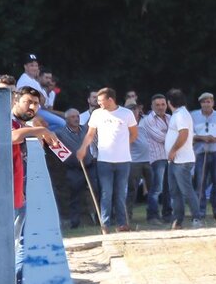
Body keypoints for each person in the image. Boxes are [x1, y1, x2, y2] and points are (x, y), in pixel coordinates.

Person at [11, 86, 60, 284]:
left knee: (24, 238)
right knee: (17, 240)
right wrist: (39, 131)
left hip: (20, 191)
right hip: (5, 193)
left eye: (36, 104)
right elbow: (13, 137)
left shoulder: (24, 125)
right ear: (15, 100)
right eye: (28, 102)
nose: (32, 107)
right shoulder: (6, 120)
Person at [77, 88, 138, 233]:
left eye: (101, 101)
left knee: (120, 192)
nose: (98, 104)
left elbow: (134, 134)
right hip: (104, 160)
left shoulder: (127, 113)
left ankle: (122, 224)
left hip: (123, 160)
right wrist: (83, 148)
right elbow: (90, 134)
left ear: (110, 100)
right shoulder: (97, 114)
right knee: (106, 192)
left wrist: (122, 145)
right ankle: (105, 224)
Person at [164, 89, 202, 229]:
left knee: (186, 190)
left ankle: (196, 218)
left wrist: (173, 150)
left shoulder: (181, 115)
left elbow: (184, 134)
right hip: (175, 160)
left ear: (169, 102)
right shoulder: (179, 114)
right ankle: (178, 220)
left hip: (181, 160)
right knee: (175, 192)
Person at [57, 108, 98, 229]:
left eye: (77, 116)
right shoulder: (60, 133)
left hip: (90, 166)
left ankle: (99, 219)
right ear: (66, 119)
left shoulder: (86, 129)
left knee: (96, 190)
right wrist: (69, 159)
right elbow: (57, 149)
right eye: (73, 117)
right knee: (74, 196)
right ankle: (75, 222)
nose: (76, 119)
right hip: (74, 168)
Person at [191, 92, 216, 223]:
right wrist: (202, 138)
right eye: (204, 102)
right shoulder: (193, 116)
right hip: (201, 153)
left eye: (209, 101)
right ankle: (200, 211)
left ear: (213, 103)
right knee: (200, 183)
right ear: (200, 103)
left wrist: (215, 139)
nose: (206, 104)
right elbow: (190, 133)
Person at [140, 94, 172, 225]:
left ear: (167, 105)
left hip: (170, 157)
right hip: (157, 158)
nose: (160, 107)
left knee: (168, 188)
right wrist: (175, 135)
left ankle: (167, 214)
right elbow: (160, 137)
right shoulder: (148, 120)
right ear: (152, 106)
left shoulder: (170, 118)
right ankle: (152, 215)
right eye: (157, 105)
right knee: (156, 188)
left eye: (163, 104)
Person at [16, 53, 65, 131]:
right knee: (61, 123)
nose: (34, 68)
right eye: (31, 65)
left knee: (61, 123)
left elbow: (42, 99)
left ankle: (43, 134)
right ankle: (42, 134)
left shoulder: (33, 80)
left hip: (38, 109)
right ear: (25, 66)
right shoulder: (24, 80)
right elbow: (38, 100)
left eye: (36, 65)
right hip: (32, 111)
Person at [126, 103, 152, 222]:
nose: (133, 112)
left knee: (153, 188)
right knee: (132, 189)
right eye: (130, 110)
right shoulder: (125, 125)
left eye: (134, 110)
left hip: (150, 159)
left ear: (138, 110)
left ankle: (153, 214)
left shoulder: (147, 121)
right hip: (134, 161)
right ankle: (127, 215)